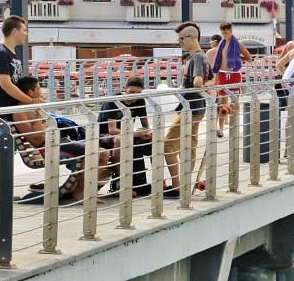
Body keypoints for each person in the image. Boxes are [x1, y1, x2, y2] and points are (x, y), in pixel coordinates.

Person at [12, 76, 111, 201]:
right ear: (30, 92)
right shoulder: (20, 112)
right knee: (100, 153)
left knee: (103, 152)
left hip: (60, 140)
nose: (41, 92)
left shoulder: (32, 109)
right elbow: (35, 135)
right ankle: (81, 192)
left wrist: (40, 115)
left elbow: (44, 126)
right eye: (39, 89)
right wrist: (39, 112)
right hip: (49, 146)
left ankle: (81, 189)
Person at [164, 22, 210, 198]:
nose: (180, 42)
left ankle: (177, 186)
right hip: (198, 108)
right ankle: (184, 184)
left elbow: (198, 82)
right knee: (189, 146)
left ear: (193, 37)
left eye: (182, 39)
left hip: (189, 108)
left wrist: (197, 85)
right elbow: (211, 80)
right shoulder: (203, 56)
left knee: (167, 145)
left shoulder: (196, 58)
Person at [99, 76, 153, 196]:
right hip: (103, 136)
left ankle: (156, 180)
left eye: (138, 93)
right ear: (125, 89)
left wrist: (146, 133)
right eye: (131, 92)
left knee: (154, 138)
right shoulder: (113, 100)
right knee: (120, 140)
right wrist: (134, 133)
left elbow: (146, 125)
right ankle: (120, 182)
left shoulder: (140, 101)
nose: (134, 97)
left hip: (127, 134)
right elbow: (112, 130)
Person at [210, 22, 252, 136]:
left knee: (235, 101)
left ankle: (235, 125)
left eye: (226, 32)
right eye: (223, 33)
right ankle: (221, 128)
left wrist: (237, 60)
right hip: (223, 74)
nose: (224, 35)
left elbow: (249, 58)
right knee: (223, 102)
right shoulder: (221, 44)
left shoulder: (237, 44)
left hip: (234, 74)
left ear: (231, 31)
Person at [0, 15, 32, 108]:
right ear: (15, 31)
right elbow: (6, 85)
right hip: (5, 110)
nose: (26, 34)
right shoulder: (0, 52)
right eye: (24, 30)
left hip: (16, 108)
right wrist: (32, 102)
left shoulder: (15, 51)